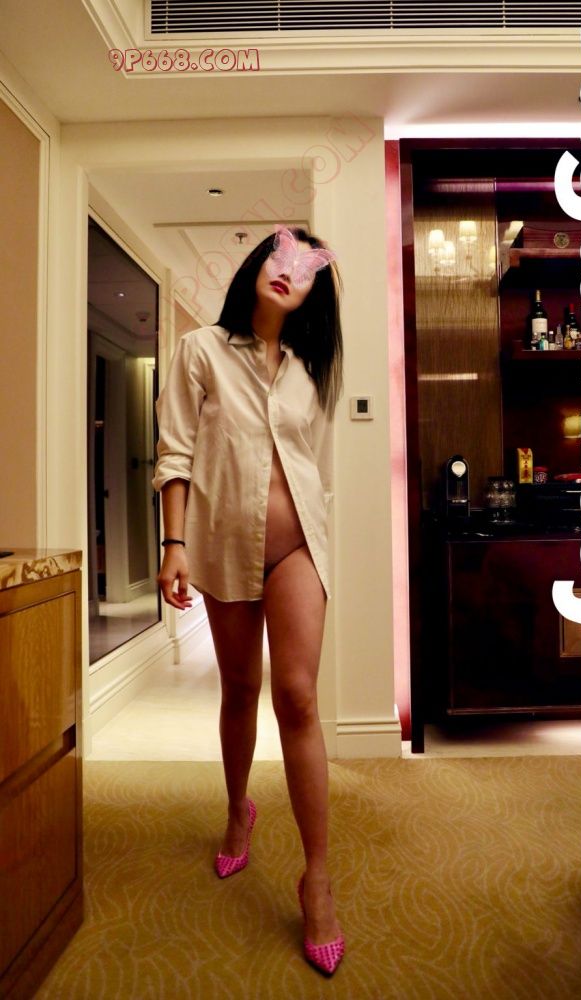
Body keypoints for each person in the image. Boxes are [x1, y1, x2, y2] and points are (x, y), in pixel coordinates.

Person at [151, 225, 345, 977]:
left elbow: (306, 463)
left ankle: (317, 878)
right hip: (223, 546)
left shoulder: (307, 369)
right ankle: (239, 809)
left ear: (312, 293)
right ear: (258, 267)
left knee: (297, 696)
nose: (287, 271)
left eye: (305, 269)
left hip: (300, 548)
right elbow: (176, 452)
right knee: (240, 687)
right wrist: (174, 544)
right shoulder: (200, 349)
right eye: (278, 256)